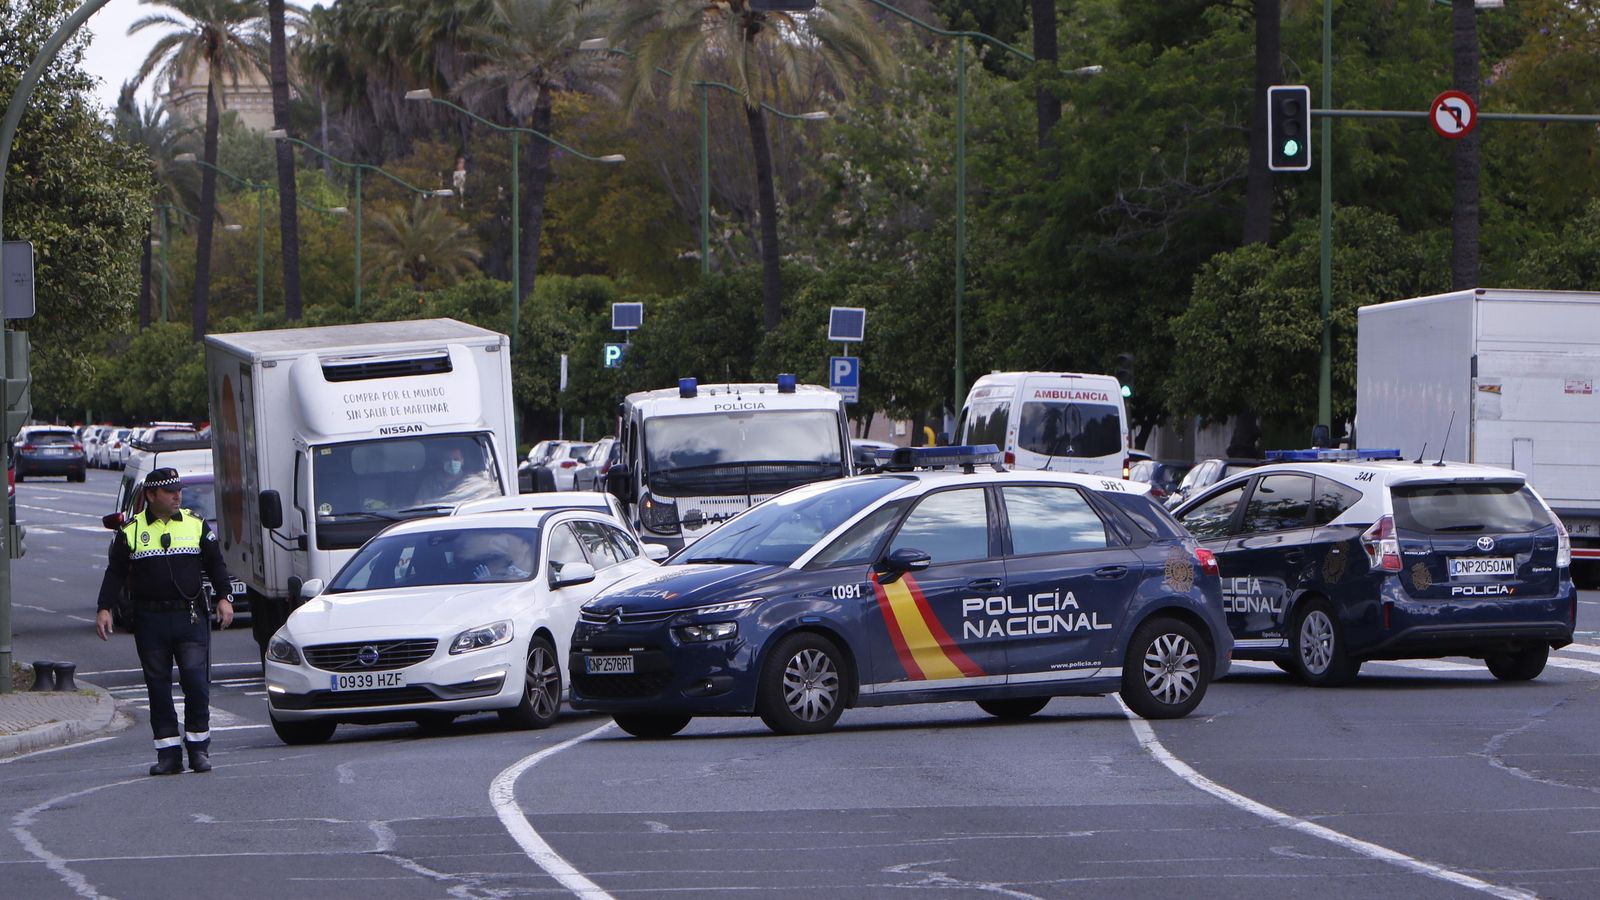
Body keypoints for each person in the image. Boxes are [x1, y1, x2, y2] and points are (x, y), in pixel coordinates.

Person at [95, 468, 236, 776]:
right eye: (170, 491)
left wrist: (225, 597)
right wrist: (104, 608)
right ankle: (168, 753)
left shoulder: (196, 525)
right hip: (150, 620)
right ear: (150, 496)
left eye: (178, 490)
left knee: (196, 683)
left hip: (189, 616)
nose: (177, 496)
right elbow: (115, 572)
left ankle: (199, 748)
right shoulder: (131, 531)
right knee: (158, 687)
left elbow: (216, 564)